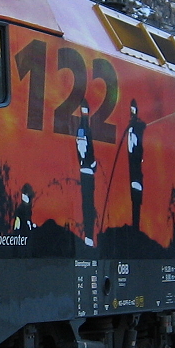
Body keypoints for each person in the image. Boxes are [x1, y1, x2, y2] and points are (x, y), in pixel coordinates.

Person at [76, 102, 97, 246]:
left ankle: (89, 234)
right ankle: (88, 235)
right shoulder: (84, 130)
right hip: (87, 171)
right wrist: (91, 163)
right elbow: (83, 148)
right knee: (88, 204)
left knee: (88, 203)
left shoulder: (82, 130)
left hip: (86, 169)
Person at [126, 99, 146, 229]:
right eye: (131, 111)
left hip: (137, 171)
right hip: (132, 171)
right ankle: (134, 225)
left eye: (134, 110)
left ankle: (136, 226)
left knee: (137, 197)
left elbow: (142, 126)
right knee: (133, 197)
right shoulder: (130, 129)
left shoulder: (138, 127)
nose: (132, 114)